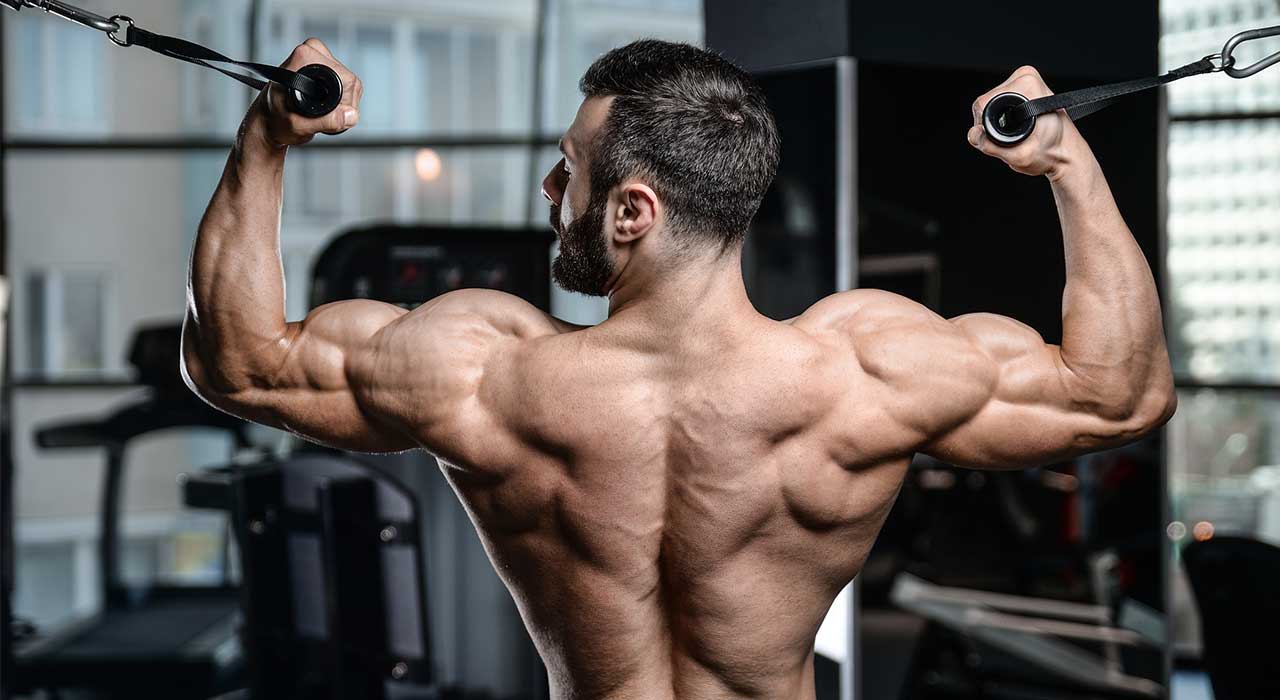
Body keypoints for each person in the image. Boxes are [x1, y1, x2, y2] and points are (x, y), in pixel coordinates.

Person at [181, 38, 1176, 699]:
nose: (549, 185)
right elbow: (1118, 393)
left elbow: (240, 365)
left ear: (631, 213)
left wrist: (266, 140)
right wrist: (1065, 164)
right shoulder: (861, 372)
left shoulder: (483, 374)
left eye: (569, 166)